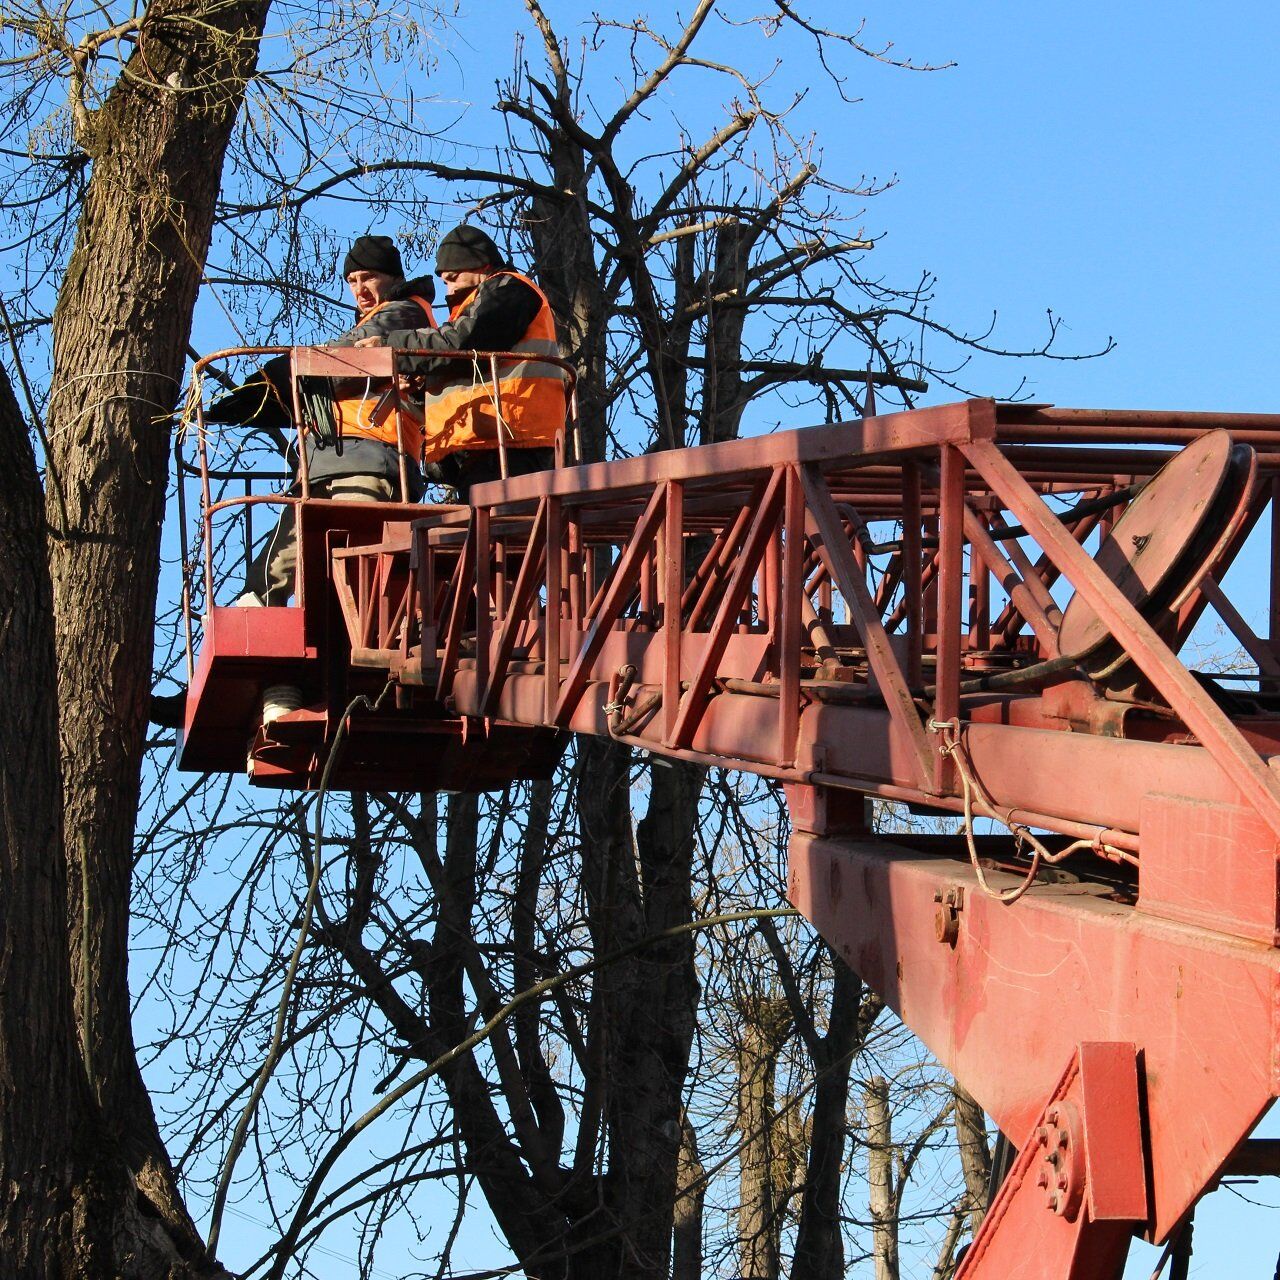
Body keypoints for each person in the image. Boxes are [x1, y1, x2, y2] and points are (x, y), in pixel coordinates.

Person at [226, 234, 438, 606]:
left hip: (372, 457)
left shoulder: (404, 312)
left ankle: (366, 620)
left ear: (392, 277)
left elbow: (341, 361)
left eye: (368, 277)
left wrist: (281, 374)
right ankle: (255, 603)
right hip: (332, 459)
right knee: (285, 552)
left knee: (360, 566)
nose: (360, 289)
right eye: (352, 281)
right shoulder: (380, 317)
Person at [355, 224, 567, 498]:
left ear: (481, 266)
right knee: (490, 534)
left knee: (502, 531)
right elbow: (467, 367)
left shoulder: (510, 290)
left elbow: (466, 344)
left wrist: (392, 347)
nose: (449, 289)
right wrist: (421, 388)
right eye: (445, 282)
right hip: (486, 443)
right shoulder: (476, 307)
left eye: (453, 278)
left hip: (512, 439)